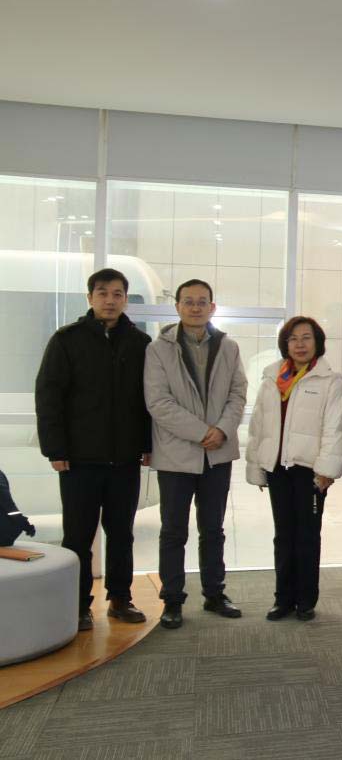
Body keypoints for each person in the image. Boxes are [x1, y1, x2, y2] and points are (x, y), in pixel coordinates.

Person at [35, 267, 152, 631]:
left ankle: (120, 598)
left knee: (122, 533)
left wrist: (147, 444)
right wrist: (55, 450)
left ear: (125, 299)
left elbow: (148, 401)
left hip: (125, 459)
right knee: (77, 536)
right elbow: (49, 397)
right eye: (102, 293)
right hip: (78, 460)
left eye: (117, 294)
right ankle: (77, 605)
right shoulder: (66, 340)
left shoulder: (140, 343)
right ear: (90, 298)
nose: (109, 300)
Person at [144, 279, 248, 629]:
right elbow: (158, 402)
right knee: (174, 531)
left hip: (217, 455)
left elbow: (238, 393)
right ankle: (172, 600)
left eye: (202, 301)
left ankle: (215, 594)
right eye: (188, 301)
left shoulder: (228, 347)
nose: (195, 307)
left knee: (213, 529)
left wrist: (222, 430)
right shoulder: (158, 349)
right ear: (177, 307)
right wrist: (202, 432)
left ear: (212, 307)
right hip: (176, 455)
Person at [246, 316, 342, 621]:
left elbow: (336, 428)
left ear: (317, 343)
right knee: (283, 536)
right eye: (293, 338)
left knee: (307, 536)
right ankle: (283, 599)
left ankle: (305, 600)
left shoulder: (330, 382)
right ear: (285, 344)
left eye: (306, 338)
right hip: (277, 468)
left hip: (310, 472)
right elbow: (258, 427)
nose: (300, 344)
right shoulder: (271, 379)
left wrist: (326, 471)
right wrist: (258, 466)